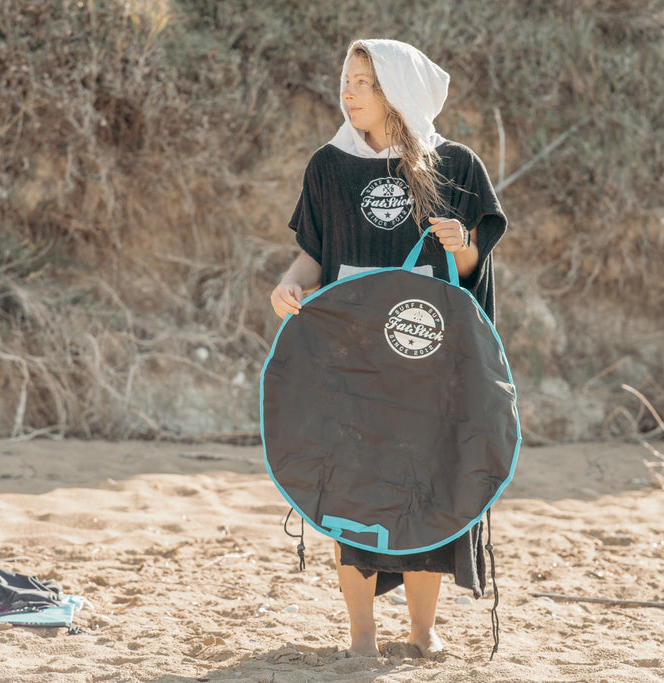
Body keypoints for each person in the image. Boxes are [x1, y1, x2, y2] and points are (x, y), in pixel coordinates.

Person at [269, 39, 507, 658]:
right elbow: (315, 255)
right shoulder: (328, 165)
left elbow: (474, 267)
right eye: (344, 80)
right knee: (354, 486)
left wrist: (460, 245)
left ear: (397, 90)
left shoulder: (455, 165)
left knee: (429, 484)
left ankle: (423, 632)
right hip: (352, 363)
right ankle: (362, 636)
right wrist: (290, 286)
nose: (347, 92)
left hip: (428, 355)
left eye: (363, 83)